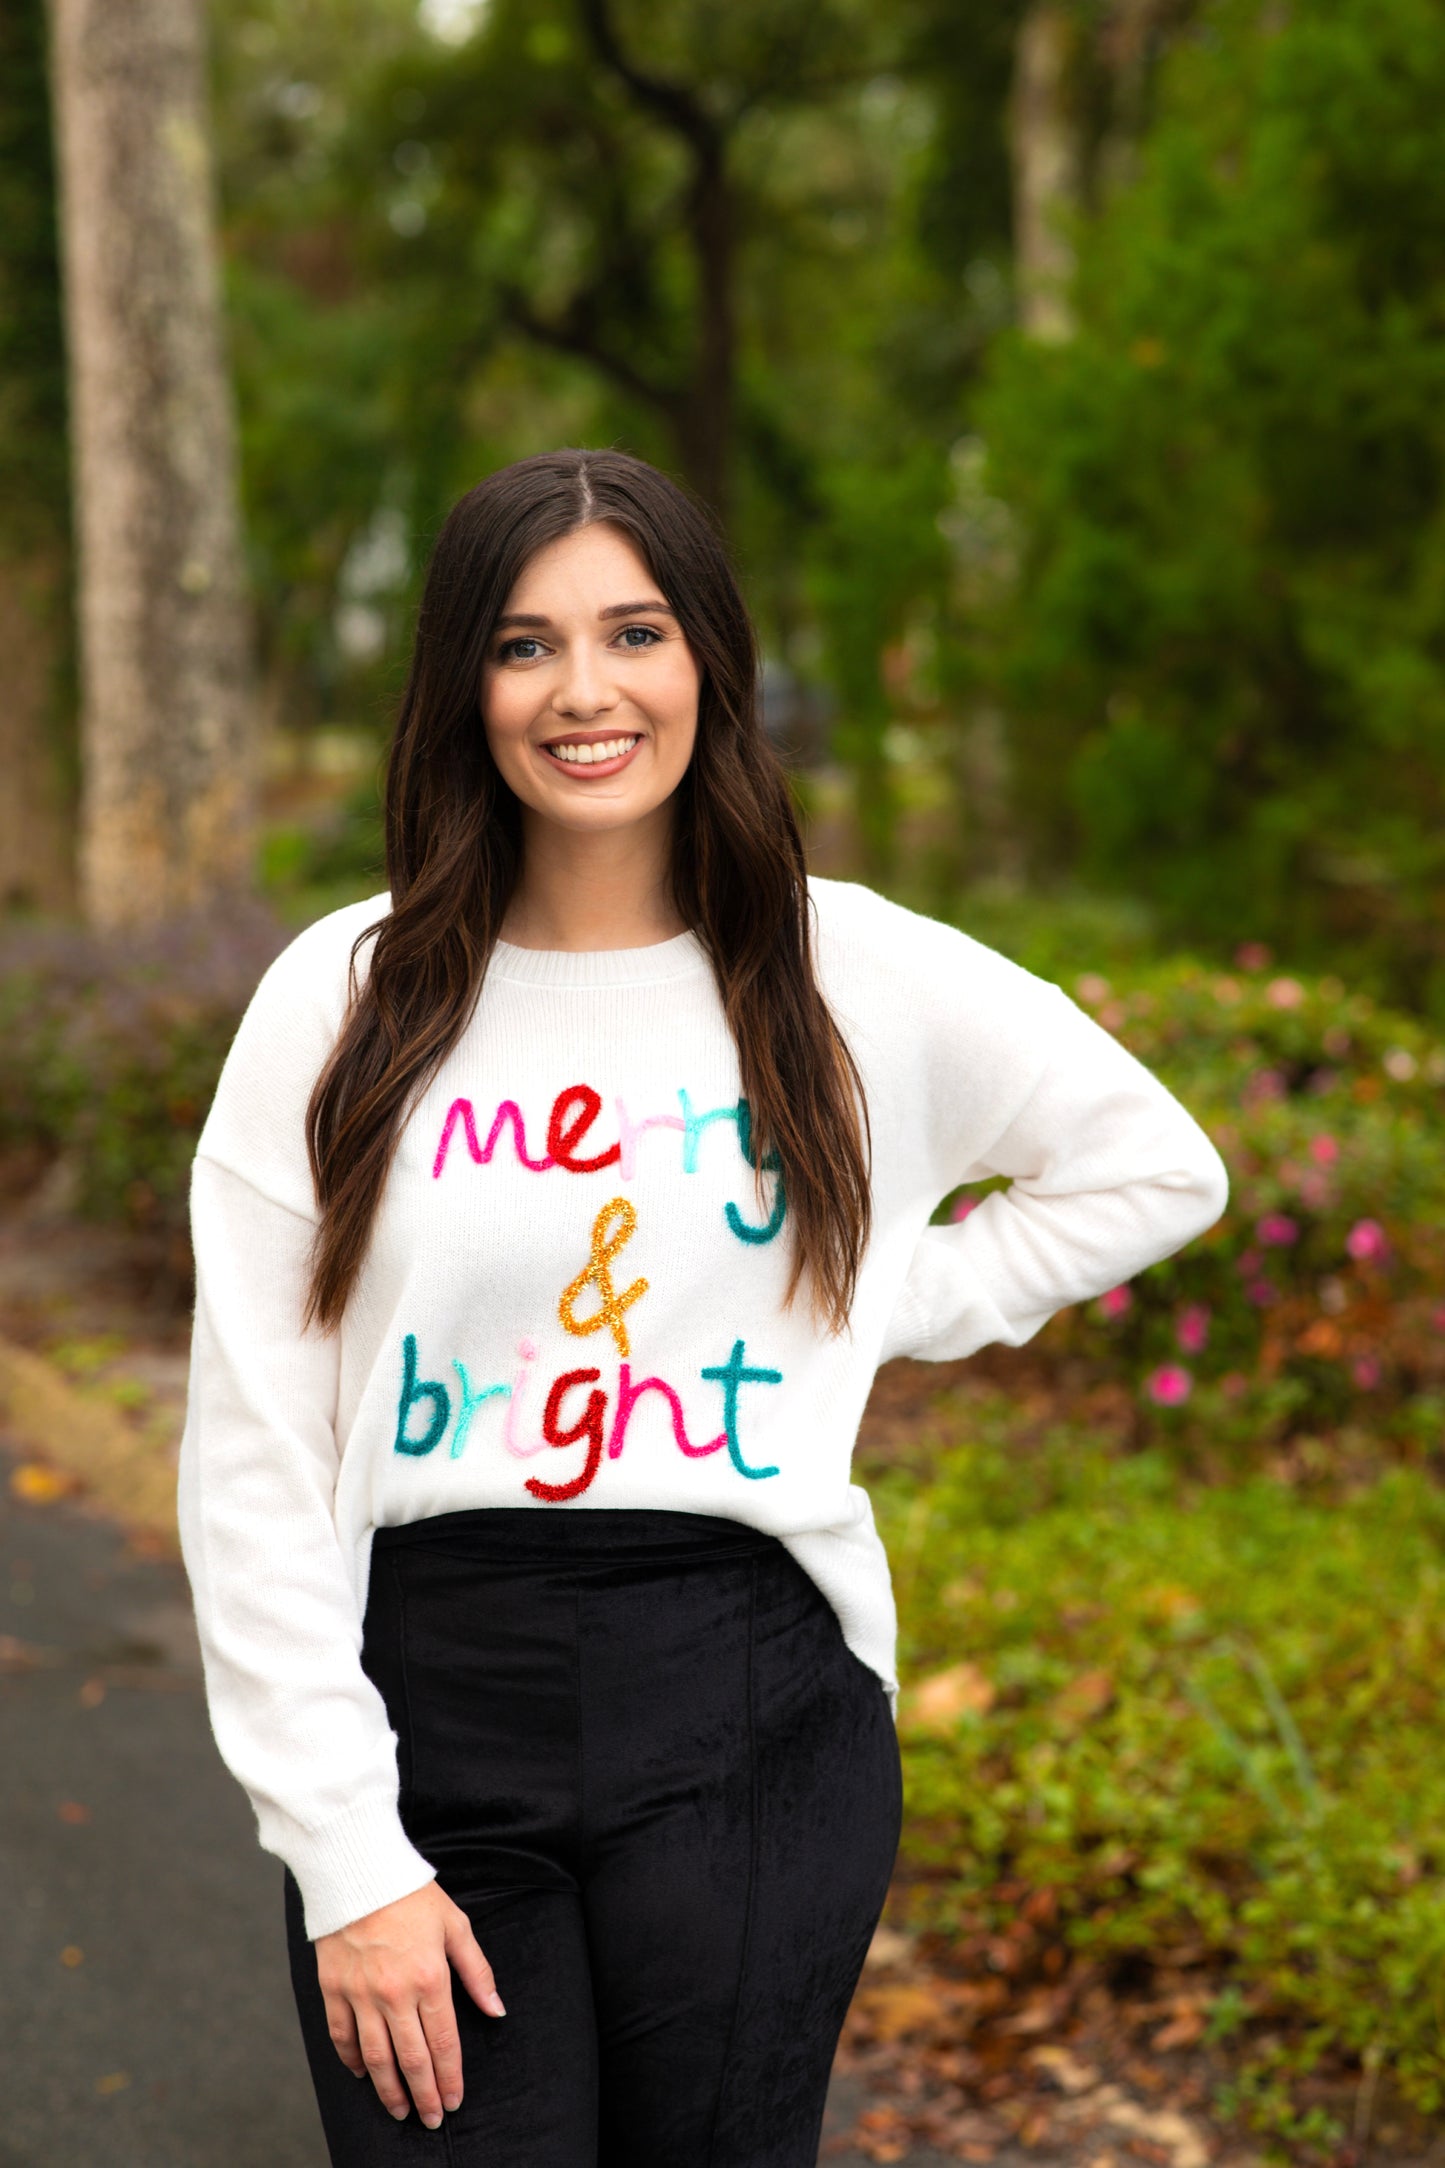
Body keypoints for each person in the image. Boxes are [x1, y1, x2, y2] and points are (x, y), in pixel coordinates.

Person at [177, 446, 1228, 2167]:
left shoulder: (848, 971)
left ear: (706, 663)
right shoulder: (341, 1001)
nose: (583, 692)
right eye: (523, 645)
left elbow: (1152, 1168)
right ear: (460, 684)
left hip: (752, 1707)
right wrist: (345, 1854)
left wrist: (886, 1296)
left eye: (633, 633)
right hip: (433, 1698)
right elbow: (254, 1462)